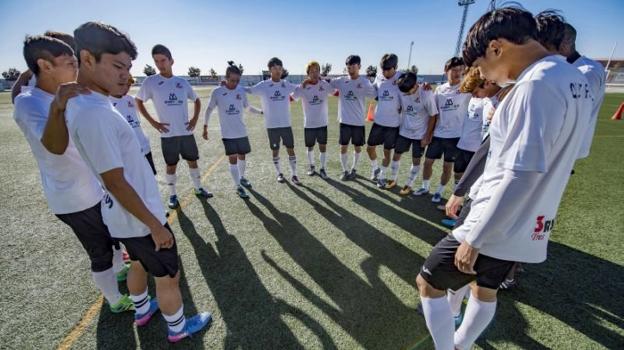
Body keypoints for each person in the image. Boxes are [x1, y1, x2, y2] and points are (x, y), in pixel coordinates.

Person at [416, 7, 592, 349]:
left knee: (429, 279)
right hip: (531, 219)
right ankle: (461, 345)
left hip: (497, 219)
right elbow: (575, 151)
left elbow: (521, 173)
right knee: (484, 287)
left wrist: (476, 237)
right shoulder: (575, 79)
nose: (487, 77)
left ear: (496, 47)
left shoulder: (535, 85)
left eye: (482, 67)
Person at [63, 22, 212, 342]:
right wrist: (155, 225)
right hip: (140, 216)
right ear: (87, 59)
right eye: (117, 66)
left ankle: (143, 310)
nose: (125, 75)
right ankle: (178, 328)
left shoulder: (85, 103)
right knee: (170, 275)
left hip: (119, 216)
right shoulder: (94, 112)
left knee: (138, 265)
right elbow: (115, 181)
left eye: (128, 67)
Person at [13, 34, 133, 314]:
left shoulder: (65, 90)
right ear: (45, 65)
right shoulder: (29, 103)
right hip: (72, 196)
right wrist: (59, 106)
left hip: (95, 185)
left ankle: (119, 271)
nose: (75, 68)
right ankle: (116, 301)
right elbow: (55, 147)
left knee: (112, 236)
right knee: (99, 250)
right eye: (69, 62)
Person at [136, 44, 212, 209]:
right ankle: (172, 195)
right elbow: (138, 101)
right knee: (171, 165)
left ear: (171, 61)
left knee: (193, 161)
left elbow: (197, 100)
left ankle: (199, 188)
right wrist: (153, 122)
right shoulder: (151, 82)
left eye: (163, 60)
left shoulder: (182, 83)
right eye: (156, 61)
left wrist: (194, 120)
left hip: (185, 132)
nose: (160, 64)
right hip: (167, 135)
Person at [535, 11, 606, 159]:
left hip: (567, 147)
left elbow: (574, 110)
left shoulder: (586, 71)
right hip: (559, 145)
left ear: (565, 43)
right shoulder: (569, 68)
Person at [413, 57, 471, 203]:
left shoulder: (466, 88)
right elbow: (434, 112)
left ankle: (439, 191)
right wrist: (429, 134)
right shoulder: (439, 89)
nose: (458, 73)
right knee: (427, 162)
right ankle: (425, 187)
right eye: (454, 70)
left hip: (455, 136)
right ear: (446, 71)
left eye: (460, 70)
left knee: (447, 167)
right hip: (438, 134)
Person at [203, 61, 263, 198]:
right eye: (231, 80)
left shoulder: (240, 90)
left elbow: (247, 107)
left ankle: (242, 178)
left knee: (242, 155)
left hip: (241, 131)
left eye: (237, 80)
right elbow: (209, 109)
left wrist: (260, 112)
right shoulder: (217, 92)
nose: (234, 83)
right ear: (226, 78)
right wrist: (205, 127)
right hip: (228, 133)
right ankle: (237, 186)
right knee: (233, 158)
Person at [246, 57, 301, 184]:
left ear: (282, 70)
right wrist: (232, 85)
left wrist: (312, 81)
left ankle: (294, 174)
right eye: (275, 68)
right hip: (271, 126)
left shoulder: (286, 84)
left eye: (279, 68)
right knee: (275, 150)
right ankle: (279, 173)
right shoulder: (264, 85)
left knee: (290, 149)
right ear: (270, 70)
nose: (277, 71)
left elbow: (299, 88)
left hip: (286, 124)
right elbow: (249, 90)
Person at [329, 55, 377, 180]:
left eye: (353, 66)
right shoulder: (341, 81)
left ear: (359, 67)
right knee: (343, 147)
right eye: (349, 67)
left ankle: (354, 169)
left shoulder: (364, 82)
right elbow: (326, 82)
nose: (351, 69)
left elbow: (376, 93)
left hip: (358, 122)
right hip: (344, 121)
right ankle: (345, 170)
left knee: (357, 147)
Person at [390, 71, 438, 195]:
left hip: (419, 134)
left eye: (409, 91)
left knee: (416, 160)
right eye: (404, 92)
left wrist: (427, 136)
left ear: (416, 84)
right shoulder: (402, 89)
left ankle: (409, 184)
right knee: (396, 155)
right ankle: (393, 179)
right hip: (404, 131)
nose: (406, 94)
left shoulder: (426, 94)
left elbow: (433, 116)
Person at [367, 53, 402, 188]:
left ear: (395, 67)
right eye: (383, 69)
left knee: (387, 153)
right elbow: (374, 91)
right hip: (378, 121)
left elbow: (414, 88)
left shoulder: (402, 77)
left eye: (388, 69)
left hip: (393, 124)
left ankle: (382, 176)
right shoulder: (379, 77)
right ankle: (375, 168)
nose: (385, 72)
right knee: (370, 148)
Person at [295, 61, 333, 179]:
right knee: (310, 147)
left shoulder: (324, 84)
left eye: (317, 70)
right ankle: (312, 166)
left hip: (322, 123)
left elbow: (335, 92)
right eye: (312, 71)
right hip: (309, 124)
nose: (315, 73)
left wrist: (325, 80)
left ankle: (322, 168)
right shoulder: (304, 86)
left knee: (323, 146)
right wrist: (302, 85)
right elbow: (292, 97)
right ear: (308, 74)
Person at [110, 76, 156, 174]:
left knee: (150, 177)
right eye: (123, 85)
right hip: (126, 151)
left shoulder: (131, 99)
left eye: (129, 85)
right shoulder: (106, 102)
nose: (126, 88)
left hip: (144, 146)